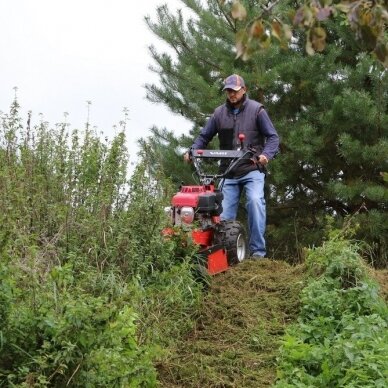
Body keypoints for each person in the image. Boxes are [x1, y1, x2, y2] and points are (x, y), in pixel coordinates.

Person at [184, 74, 279, 259]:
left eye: (234, 91)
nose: (231, 95)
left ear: (243, 90)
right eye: (228, 91)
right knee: (222, 216)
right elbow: (204, 137)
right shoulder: (219, 113)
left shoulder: (257, 110)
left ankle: (258, 253)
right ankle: (225, 257)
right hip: (228, 172)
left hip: (252, 168)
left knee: (254, 201)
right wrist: (192, 150)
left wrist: (266, 155)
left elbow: (273, 137)